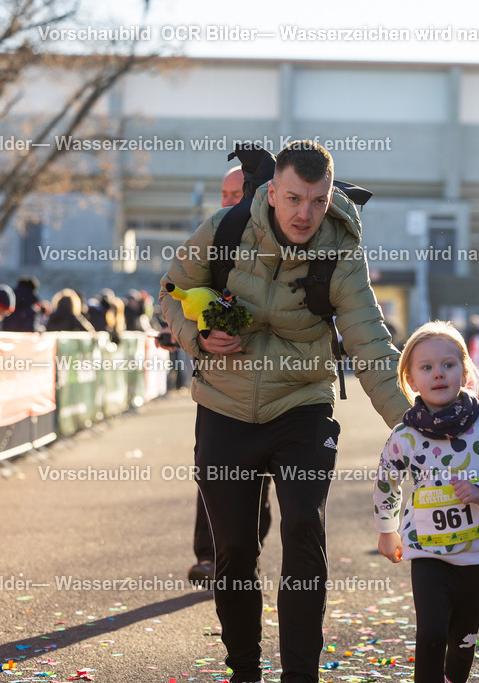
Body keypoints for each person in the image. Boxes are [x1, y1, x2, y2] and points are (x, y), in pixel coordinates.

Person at [159, 140, 408, 683]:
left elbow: (369, 342)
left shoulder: (340, 248)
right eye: (294, 198)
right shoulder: (225, 229)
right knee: (236, 549)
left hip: (302, 405)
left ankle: (301, 675)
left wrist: (414, 428)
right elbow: (173, 291)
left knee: (301, 525)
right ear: (271, 191)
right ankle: (244, 670)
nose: (305, 213)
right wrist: (198, 338)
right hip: (225, 406)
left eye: (318, 201)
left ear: (330, 196)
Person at [375, 321, 479, 683]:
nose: (438, 373)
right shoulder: (405, 435)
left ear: (465, 370)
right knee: (430, 634)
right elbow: (387, 480)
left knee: (463, 641)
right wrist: (387, 529)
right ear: (411, 380)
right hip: (426, 550)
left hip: (477, 551)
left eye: (448, 364)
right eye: (426, 367)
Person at [186, 168, 275, 587]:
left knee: (260, 490)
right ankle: (211, 558)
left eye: (234, 193)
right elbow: (175, 293)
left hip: (277, 393)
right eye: (222, 194)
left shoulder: (277, 242)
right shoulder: (209, 237)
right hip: (219, 390)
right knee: (213, 478)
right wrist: (195, 336)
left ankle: (244, 553)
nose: (226, 202)